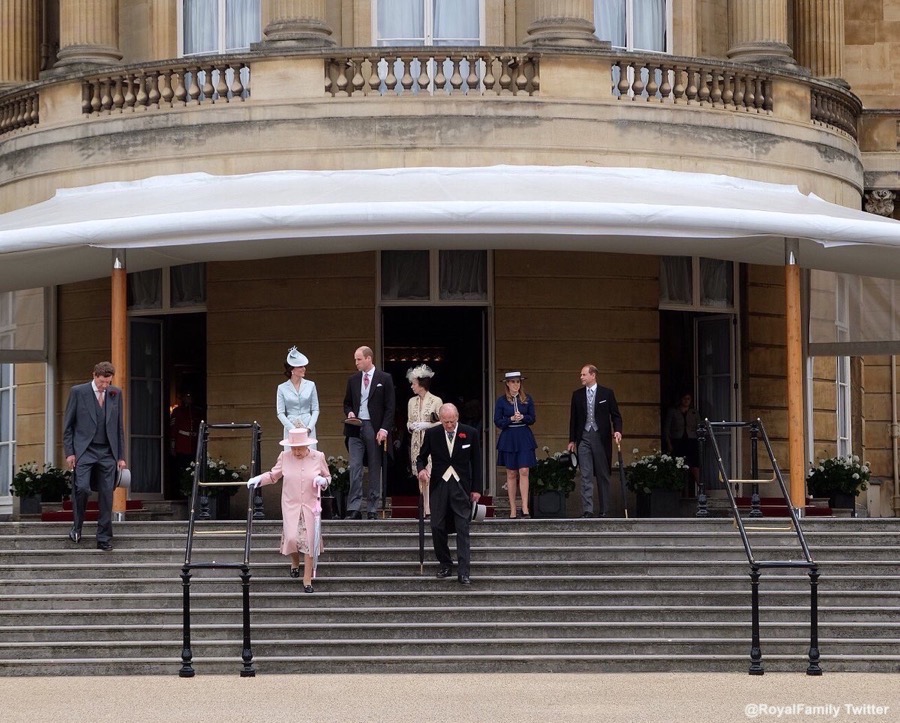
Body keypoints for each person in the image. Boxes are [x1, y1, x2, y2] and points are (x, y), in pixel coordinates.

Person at [246, 427, 330, 593]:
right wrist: (258, 480)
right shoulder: (284, 457)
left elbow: (327, 477)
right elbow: (273, 476)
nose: (297, 452)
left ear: (307, 445)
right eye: (294, 448)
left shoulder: (318, 457)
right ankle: (295, 561)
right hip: (291, 504)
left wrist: (323, 481)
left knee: (308, 541)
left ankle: (307, 579)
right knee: (292, 538)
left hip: (310, 505)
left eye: (300, 448)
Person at [62, 361, 128, 551]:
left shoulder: (116, 393)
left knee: (107, 494)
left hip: (108, 453)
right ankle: (77, 527)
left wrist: (121, 456)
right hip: (85, 451)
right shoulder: (78, 392)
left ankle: (104, 538)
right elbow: (68, 426)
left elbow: (118, 427)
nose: (105, 386)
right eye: (102, 382)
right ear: (94, 376)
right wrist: (70, 453)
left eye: (108, 382)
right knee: (82, 488)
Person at [417, 403, 482, 585]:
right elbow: (421, 457)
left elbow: (477, 462)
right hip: (439, 485)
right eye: (445, 422)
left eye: (452, 422)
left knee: (463, 528)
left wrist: (476, 489)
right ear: (440, 419)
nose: (449, 426)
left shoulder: (470, 433)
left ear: (457, 417)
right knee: (437, 526)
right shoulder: (433, 434)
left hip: (461, 486)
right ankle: (445, 563)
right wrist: (421, 470)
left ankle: (464, 572)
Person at [343, 346, 396, 520]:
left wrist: (384, 429)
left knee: (375, 467)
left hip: (375, 427)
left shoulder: (384, 378)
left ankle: (372, 507)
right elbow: (347, 403)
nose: (356, 362)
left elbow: (390, 407)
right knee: (355, 466)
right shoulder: (353, 380)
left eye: (358, 359)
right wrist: (349, 412)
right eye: (355, 359)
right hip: (355, 426)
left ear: (368, 359)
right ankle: (354, 507)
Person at [567, 364, 623, 518]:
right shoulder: (577, 395)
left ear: (593, 375)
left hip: (600, 437)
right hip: (583, 437)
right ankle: (587, 510)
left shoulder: (607, 393)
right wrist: (572, 440)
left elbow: (616, 415)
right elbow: (574, 419)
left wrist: (618, 430)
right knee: (585, 474)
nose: (581, 377)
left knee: (603, 474)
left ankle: (604, 509)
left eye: (583, 374)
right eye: (581, 375)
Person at [494, 371, 537, 519]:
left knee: (524, 470)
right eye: (512, 382)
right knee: (511, 473)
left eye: (518, 382)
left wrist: (523, 417)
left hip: (524, 436)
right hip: (509, 437)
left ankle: (525, 507)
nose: (516, 385)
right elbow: (497, 421)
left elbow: (532, 418)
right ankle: (513, 508)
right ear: (507, 383)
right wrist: (511, 418)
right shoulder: (501, 401)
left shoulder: (527, 399)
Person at [406, 364, 442, 519]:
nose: (412, 386)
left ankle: (431, 508)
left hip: (432, 441)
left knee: (431, 474)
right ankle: (424, 508)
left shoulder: (436, 400)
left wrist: (427, 425)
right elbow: (408, 421)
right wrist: (411, 426)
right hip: (416, 442)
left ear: (421, 384)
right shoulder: (411, 402)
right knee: (420, 474)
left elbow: (442, 422)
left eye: (414, 383)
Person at [276, 346, 319, 448]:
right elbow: (280, 413)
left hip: (307, 426)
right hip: (291, 427)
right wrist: (292, 428)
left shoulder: (311, 385)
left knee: (309, 457)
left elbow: (315, 409)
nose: (304, 369)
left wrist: (309, 428)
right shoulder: (282, 388)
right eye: (300, 366)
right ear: (292, 370)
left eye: (304, 366)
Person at [664, 391, 701, 496]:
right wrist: (669, 443)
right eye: (684, 398)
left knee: (694, 466)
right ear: (680, 399)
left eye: (688, 399)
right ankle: (678, 491)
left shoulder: (694, 412)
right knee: (679, 466)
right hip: (678, 441)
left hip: (692, 440)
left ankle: (701, 489)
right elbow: (667, 428)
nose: (686, 401)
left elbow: (700, 427)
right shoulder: (673, 411)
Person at [170, 389, 203, 480]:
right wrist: (173, 446)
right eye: (187, 396)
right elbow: (174, 429)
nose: (189, 398)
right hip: (182, 444)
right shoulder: (177, 411)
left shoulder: (197, 411)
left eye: (190, 396)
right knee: (181, 469)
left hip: (194, 443)